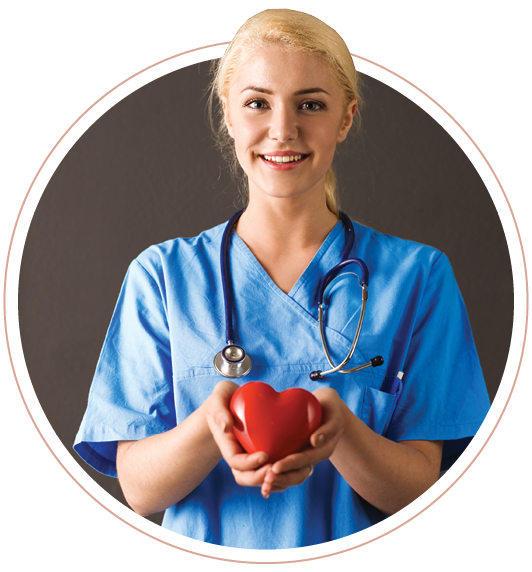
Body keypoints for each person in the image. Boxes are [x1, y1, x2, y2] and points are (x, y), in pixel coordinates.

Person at [74, 8, 491, 549]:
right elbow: (138, 488)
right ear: (228, 112)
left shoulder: (419, 278)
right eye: (257, 103)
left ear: (345, 117)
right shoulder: (162, 277)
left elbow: (423, 487)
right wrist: (209, 424)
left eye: (311, 104)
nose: (282, 130)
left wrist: (342, 432)